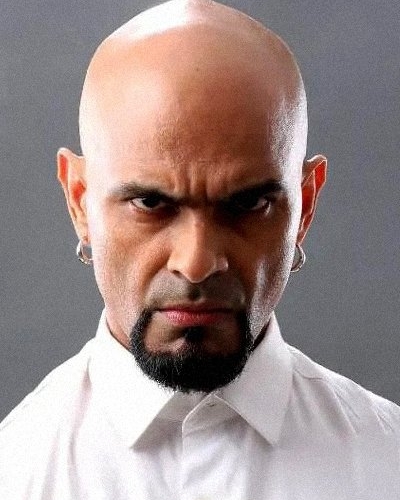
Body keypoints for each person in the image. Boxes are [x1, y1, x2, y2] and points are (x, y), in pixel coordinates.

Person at [1, 0, 399, 498]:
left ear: (306, 205)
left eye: (248, 203)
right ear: (80, 201)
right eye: (150, 203)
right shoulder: (15, 473)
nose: (195, 263)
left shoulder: (388, 464)